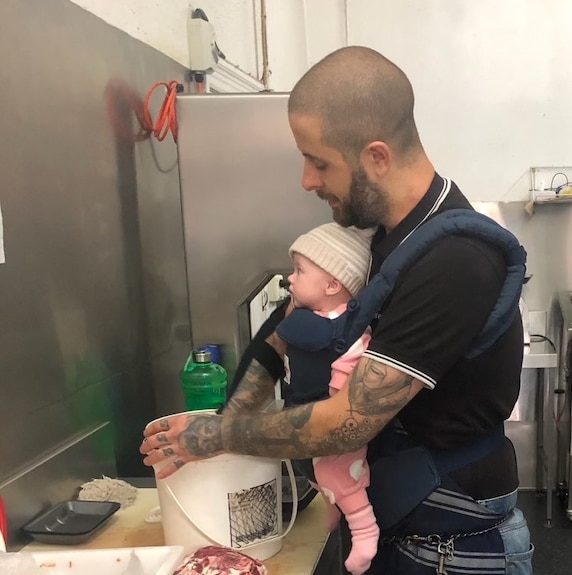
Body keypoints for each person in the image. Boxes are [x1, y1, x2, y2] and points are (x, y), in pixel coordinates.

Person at [141, 45, 532, 574]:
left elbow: (349, 423)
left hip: (452, 548)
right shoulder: (380, 236)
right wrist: (232, 415)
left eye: (318, 161)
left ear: (376, 156)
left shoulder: (455, 260)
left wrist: (215, 438)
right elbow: (288, 329)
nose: (307, 180)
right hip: (396, 526)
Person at [282, 222, 379, 575]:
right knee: (309, 469)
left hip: (336, 424)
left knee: (338, 474)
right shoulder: (308, 318)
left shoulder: (348, 332)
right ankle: (333, 507)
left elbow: (352, 370)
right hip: (306, 414)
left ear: (333, 284)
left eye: (299, 271)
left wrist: (336, 411)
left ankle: (365, 530)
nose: (290, 279)